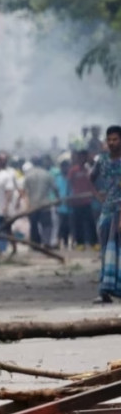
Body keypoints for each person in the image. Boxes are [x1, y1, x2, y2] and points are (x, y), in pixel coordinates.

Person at [90, 125, 121, 304]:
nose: (111, 143)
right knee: (106, 251)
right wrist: (98, 195)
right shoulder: (102, 160)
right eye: (109, 139)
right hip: (108, 211)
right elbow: (91, 178)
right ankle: (105, 291)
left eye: (115, 139)